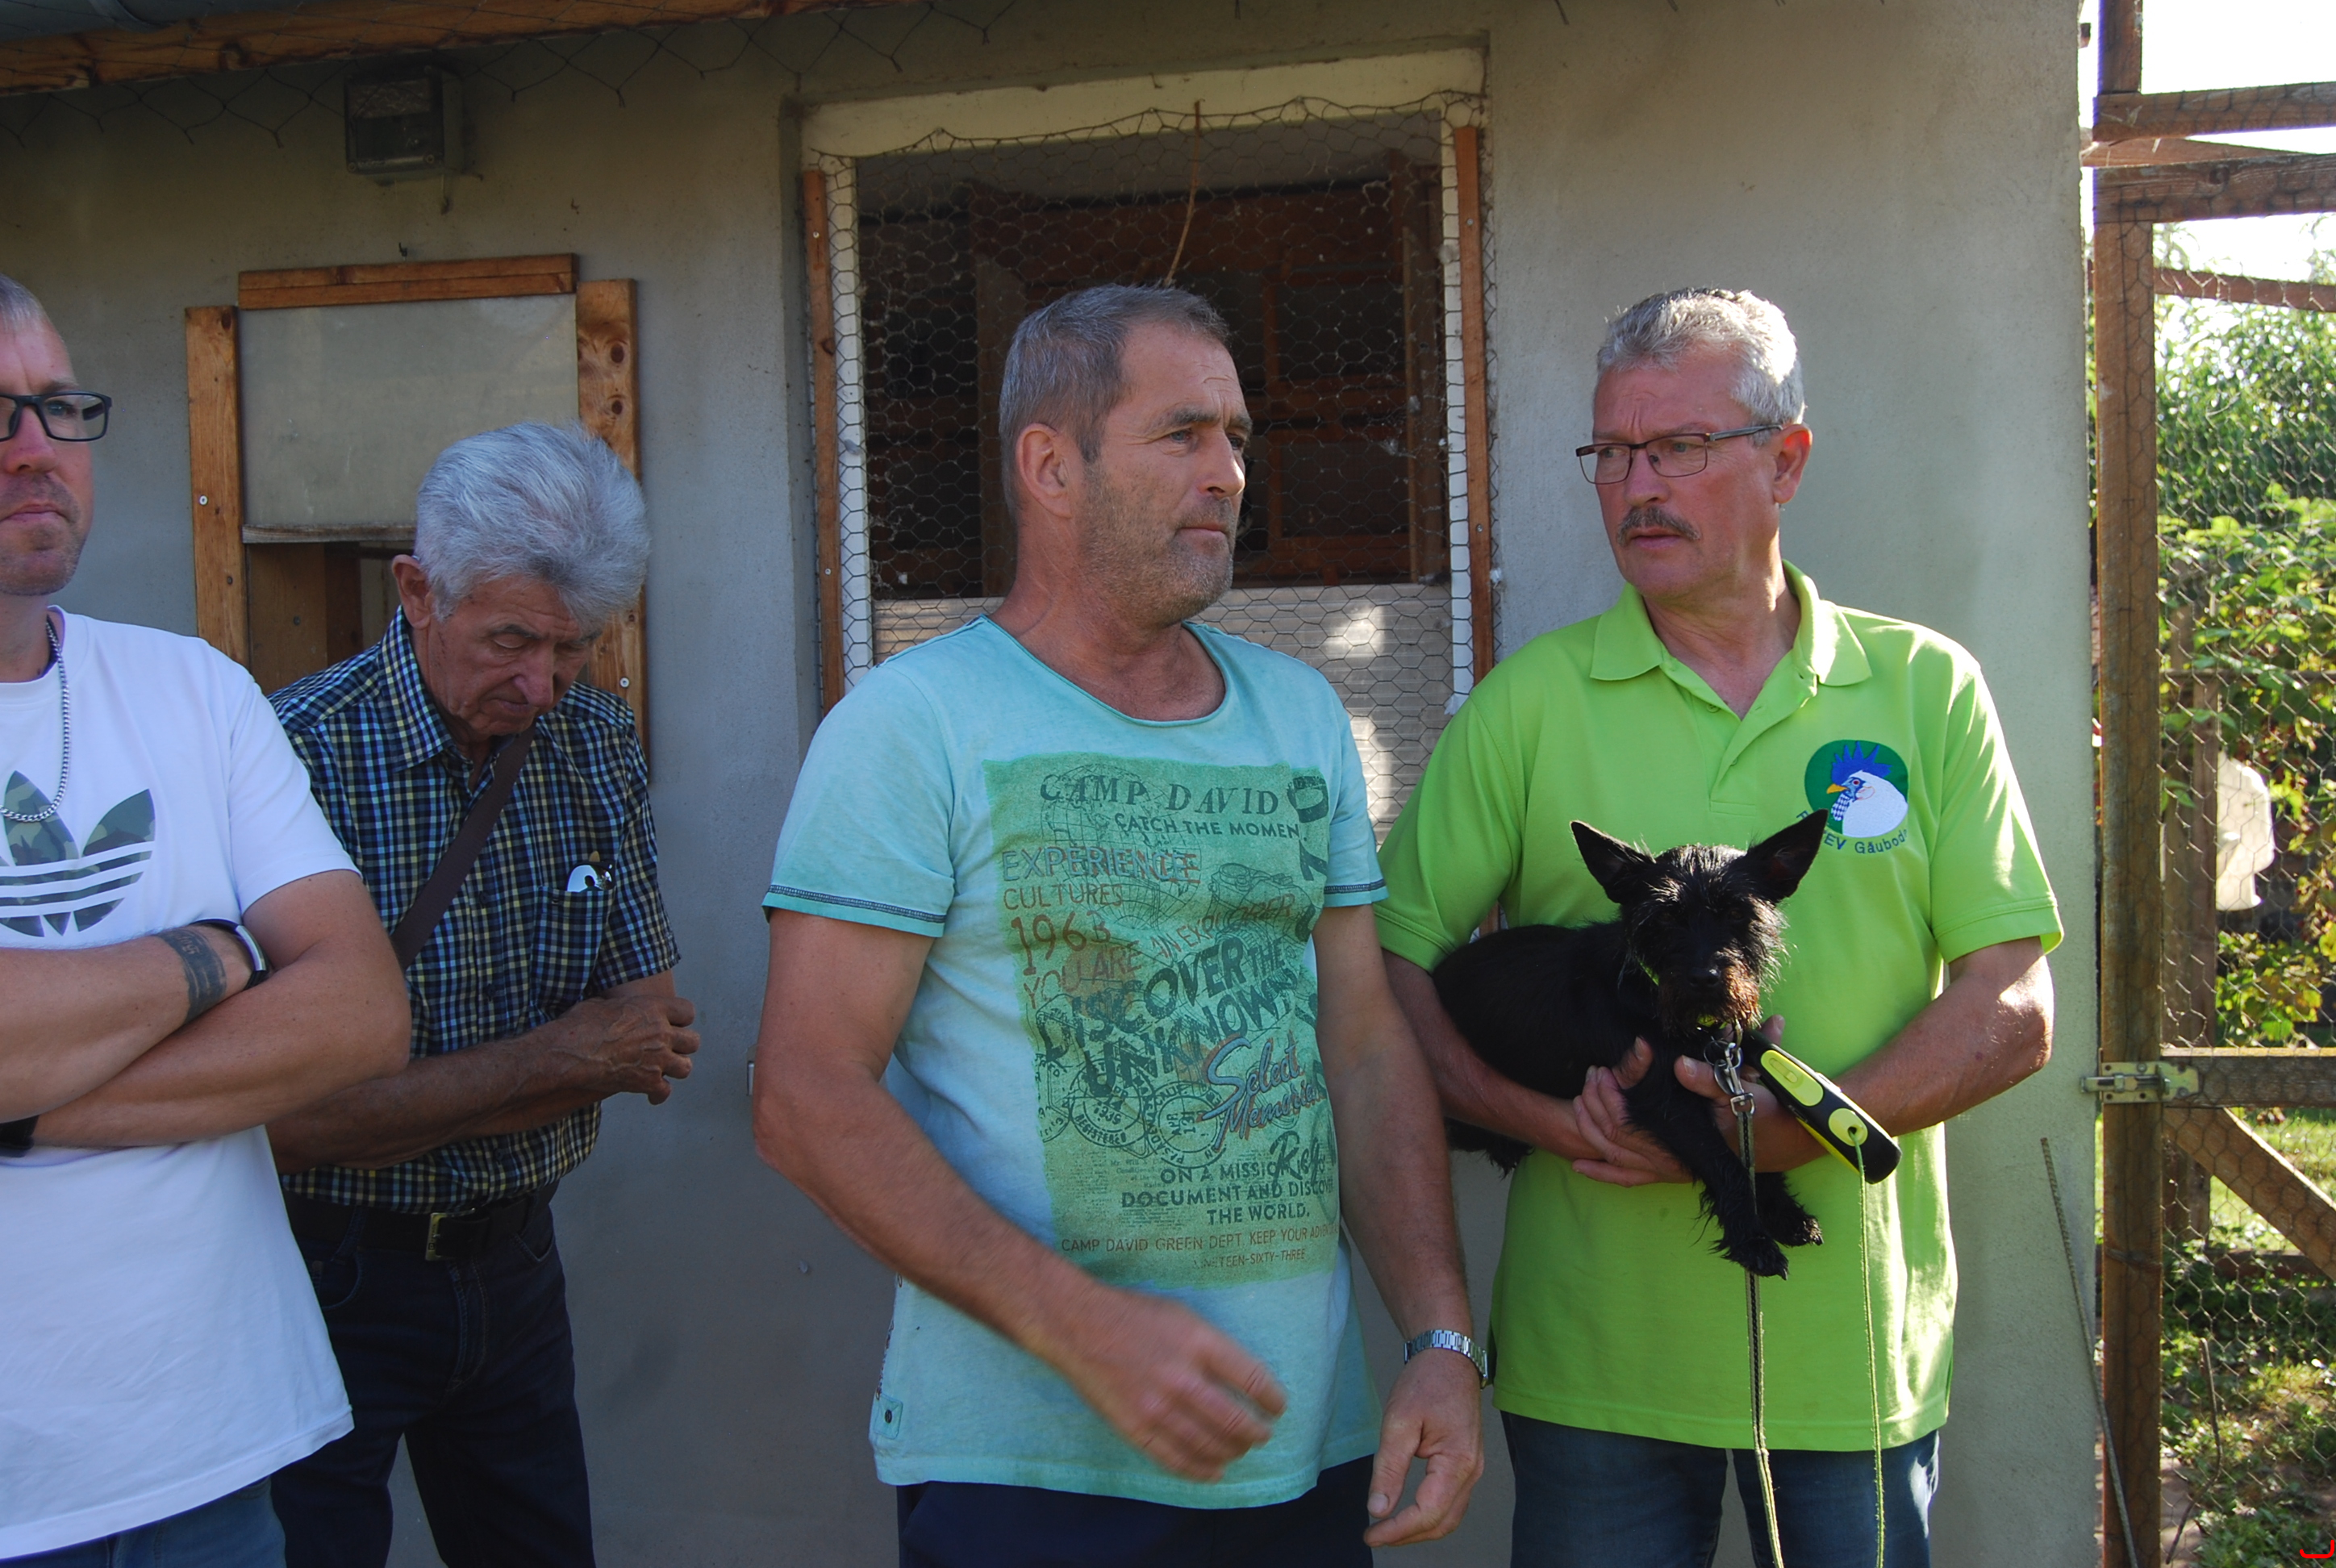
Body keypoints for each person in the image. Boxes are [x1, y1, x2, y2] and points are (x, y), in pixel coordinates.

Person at [753, 284, 1483, 1567]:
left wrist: (1438, 1336)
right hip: (1029, 1473)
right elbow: (806, 1094)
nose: (1229, 474)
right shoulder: (912, 727)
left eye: (1237, 438)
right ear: (1052, 466)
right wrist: (1079, 1327)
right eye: (1182, 433)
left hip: (1294, 1450)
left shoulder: (1299, 717)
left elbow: (1364, 1048)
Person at [1374, 288, 2060, 1568]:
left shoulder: (1925, 689)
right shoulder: (1530, 704)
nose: (1637, 486)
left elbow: (2013, 1007)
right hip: (1596, 1373)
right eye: (1613, 453)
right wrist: (1533, 1117)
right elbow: (1384, 970)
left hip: (1852, 1366)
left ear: (1785, 461)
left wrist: (1797, 1136)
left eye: (1679, 448)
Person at [0, 273, 411, 1565]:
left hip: (211, 1450)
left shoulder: (194, 689)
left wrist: (27, 1104)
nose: (36, 448)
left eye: (59, 406)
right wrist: (225, 954)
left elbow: (360, 1013)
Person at [264, 423, 700, 1568]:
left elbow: (647, 1040)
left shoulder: (593, 740)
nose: (541, 685)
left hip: (517, 1263)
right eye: (511, 640)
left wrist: (399, 1098)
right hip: (324, 1270)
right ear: (417, 591)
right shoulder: (293, 757)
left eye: (574, 646)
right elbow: (283, 1123)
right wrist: (555, 1060)